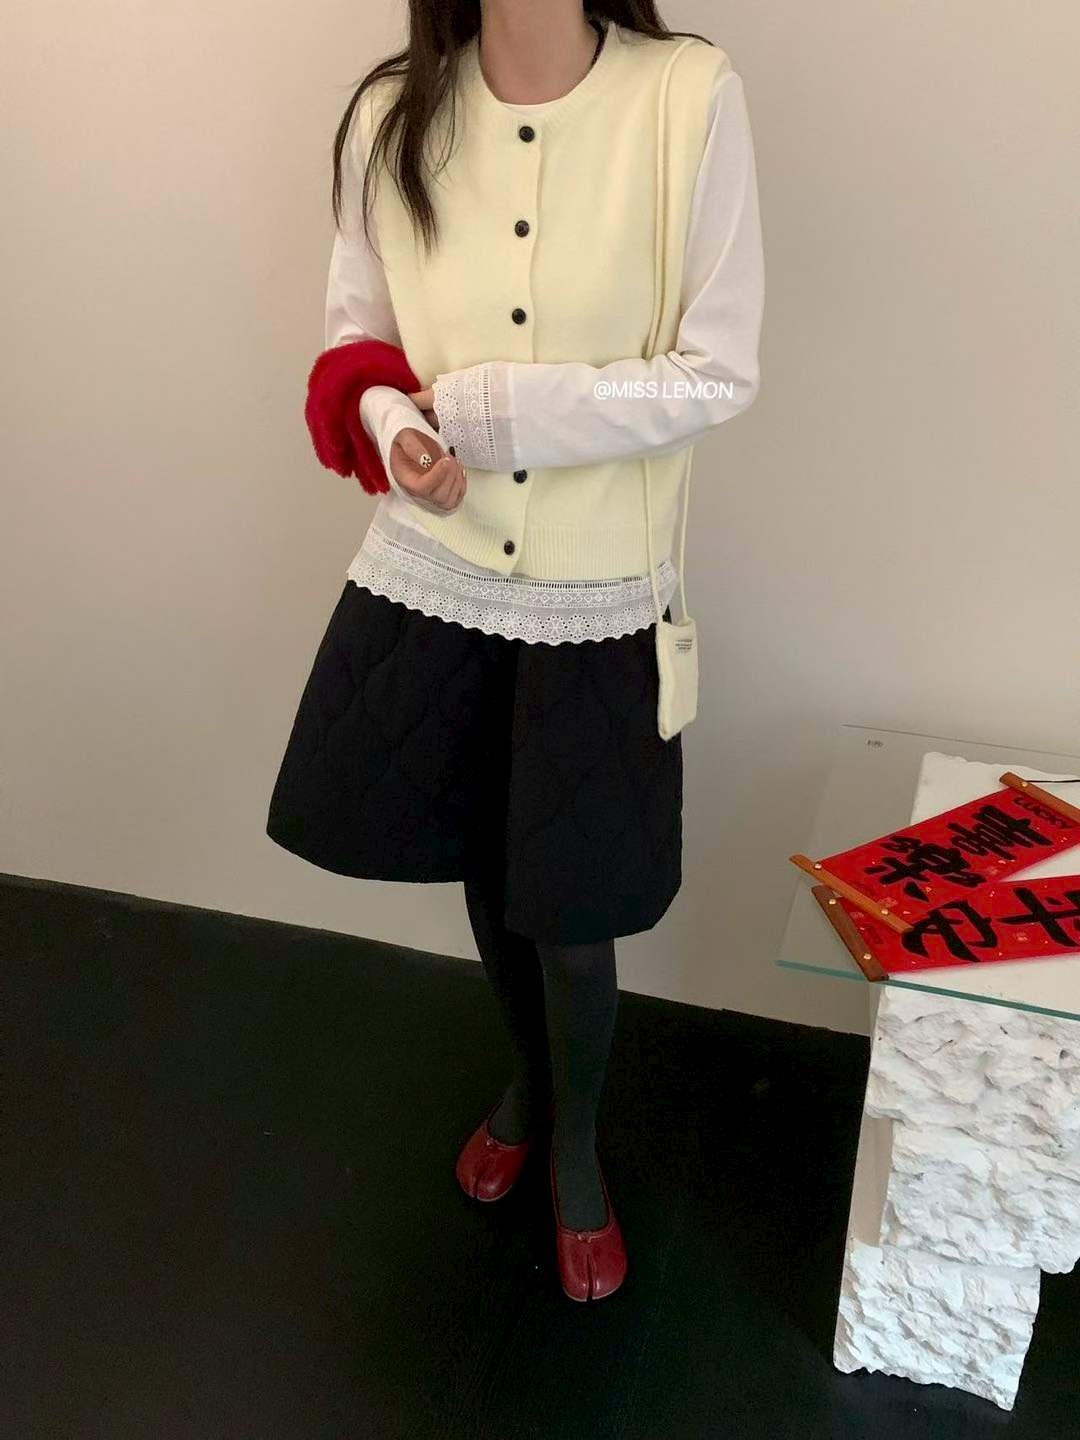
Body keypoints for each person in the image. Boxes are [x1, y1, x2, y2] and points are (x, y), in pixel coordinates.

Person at [266, 0, 764, 1302]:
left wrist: (502, 410)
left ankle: (578, 1140)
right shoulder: (391, 114)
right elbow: (354, 336)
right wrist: (395, 425)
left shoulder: (687, 96)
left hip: (597, 591)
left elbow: (718, 371)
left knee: (575, 907)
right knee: (487, 870)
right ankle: (529, 1085)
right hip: (437, 571)